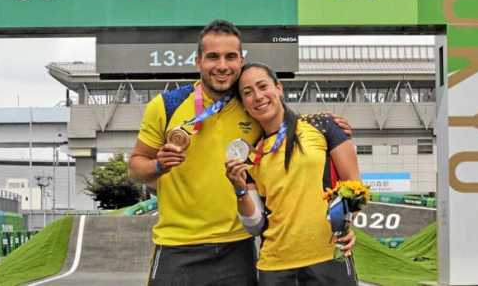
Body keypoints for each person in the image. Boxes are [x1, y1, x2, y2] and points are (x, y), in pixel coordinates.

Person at [129, 19, 352, 285]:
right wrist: (158, 166)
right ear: (198, 61)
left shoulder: (250, 106)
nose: (222, 66)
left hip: (238, 246)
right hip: (177, 244)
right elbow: (135, 167)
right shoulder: (166, 106)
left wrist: (328, 126)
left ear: (240, 60)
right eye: (213, 57)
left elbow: (283, 123)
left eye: (230, 57)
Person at [225, 62, 361, 286]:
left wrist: (346, 225)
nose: (258, 96)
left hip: (328, 261)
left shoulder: (322, 125)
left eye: (263, 86)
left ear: (279, 88)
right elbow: (255, 225)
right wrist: (239, 189)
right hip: (275, 269)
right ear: (245, 106)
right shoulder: (250, 156)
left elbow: (354, 184)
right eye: (248, 93)